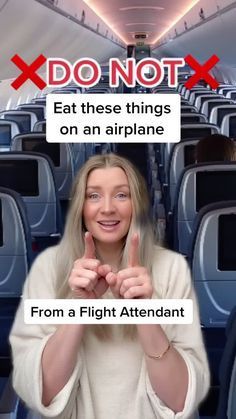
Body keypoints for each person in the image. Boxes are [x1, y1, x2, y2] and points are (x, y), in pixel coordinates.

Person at [10, 153, 210, 419]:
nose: (107, 208)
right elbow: (42, 393)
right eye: (93, 196)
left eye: (121, 195)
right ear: (81, 206)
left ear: (136, 205)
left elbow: (179, 400)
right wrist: (80, 308)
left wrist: (145, 313)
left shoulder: (172, 268)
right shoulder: (48, 267)